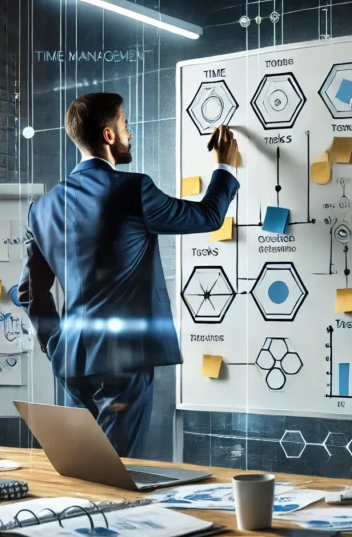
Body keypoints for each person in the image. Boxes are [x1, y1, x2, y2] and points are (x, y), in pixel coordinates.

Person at [19, 92, 238, 457]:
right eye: (125, 125)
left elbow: (30, 292)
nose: (130, 132)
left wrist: (54, 344)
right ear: (108, 135)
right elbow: (207, 217)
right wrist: (224, 167)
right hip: (124, 361)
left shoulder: (41, 208)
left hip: (71, 361)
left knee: (88, 463)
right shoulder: (133, 190)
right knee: (112, 469)